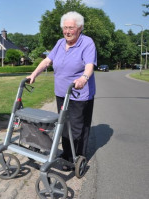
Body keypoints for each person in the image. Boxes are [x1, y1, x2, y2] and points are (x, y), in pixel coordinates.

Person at [27, 11, 97, 170]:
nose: (67, 31)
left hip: (79, 93)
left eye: (71, 28)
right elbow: (47, 61)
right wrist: (34, 74)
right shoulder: (60, 43)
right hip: (61, 93)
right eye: (65, 28)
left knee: (77, 127)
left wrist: (83, 78)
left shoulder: (87, 43)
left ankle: (76, 158)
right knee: (63, 125)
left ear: (80, 28)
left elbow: (89, 66)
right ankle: (67, 154)